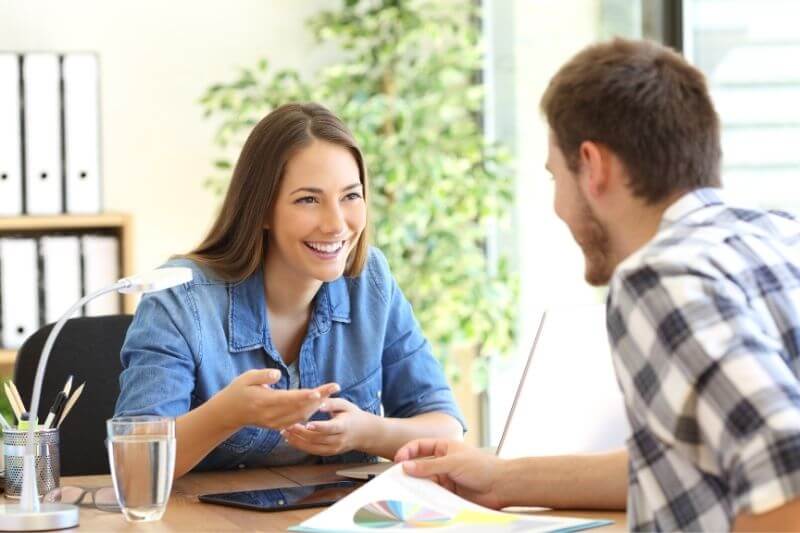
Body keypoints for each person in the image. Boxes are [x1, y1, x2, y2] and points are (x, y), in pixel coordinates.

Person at [396, 38, 800, 531]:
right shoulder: (778, 235)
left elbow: (786, 469)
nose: (557, 207)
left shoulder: (660, 276)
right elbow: (686, 462)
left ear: (593, 166)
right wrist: (499, 480)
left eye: (555, 178)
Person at [115, 103, 464, 478]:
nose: (336, 224)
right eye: (308, 200)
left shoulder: (369, 280)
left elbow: (446, 429)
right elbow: (133, 469)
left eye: (350, 196)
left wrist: (366, 432)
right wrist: (228, 414)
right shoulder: (180, 299)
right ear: (262, 209)